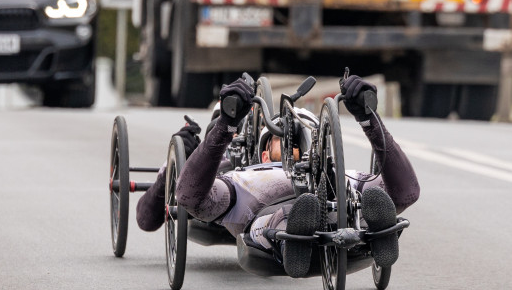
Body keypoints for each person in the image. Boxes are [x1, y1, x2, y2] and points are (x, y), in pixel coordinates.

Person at [136, 74, 420, 278]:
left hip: (333, 204)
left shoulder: (340, 173)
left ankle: (374, 231)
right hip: (269, 217)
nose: (290, 147)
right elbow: (189, 197)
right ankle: (291, 236)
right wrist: (225, 124)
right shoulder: (241, 178)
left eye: (297, 141)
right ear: (260, 151)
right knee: (278, 218)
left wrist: (369, 118)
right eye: (281, 140)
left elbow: (406, 191)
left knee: (375, 195)